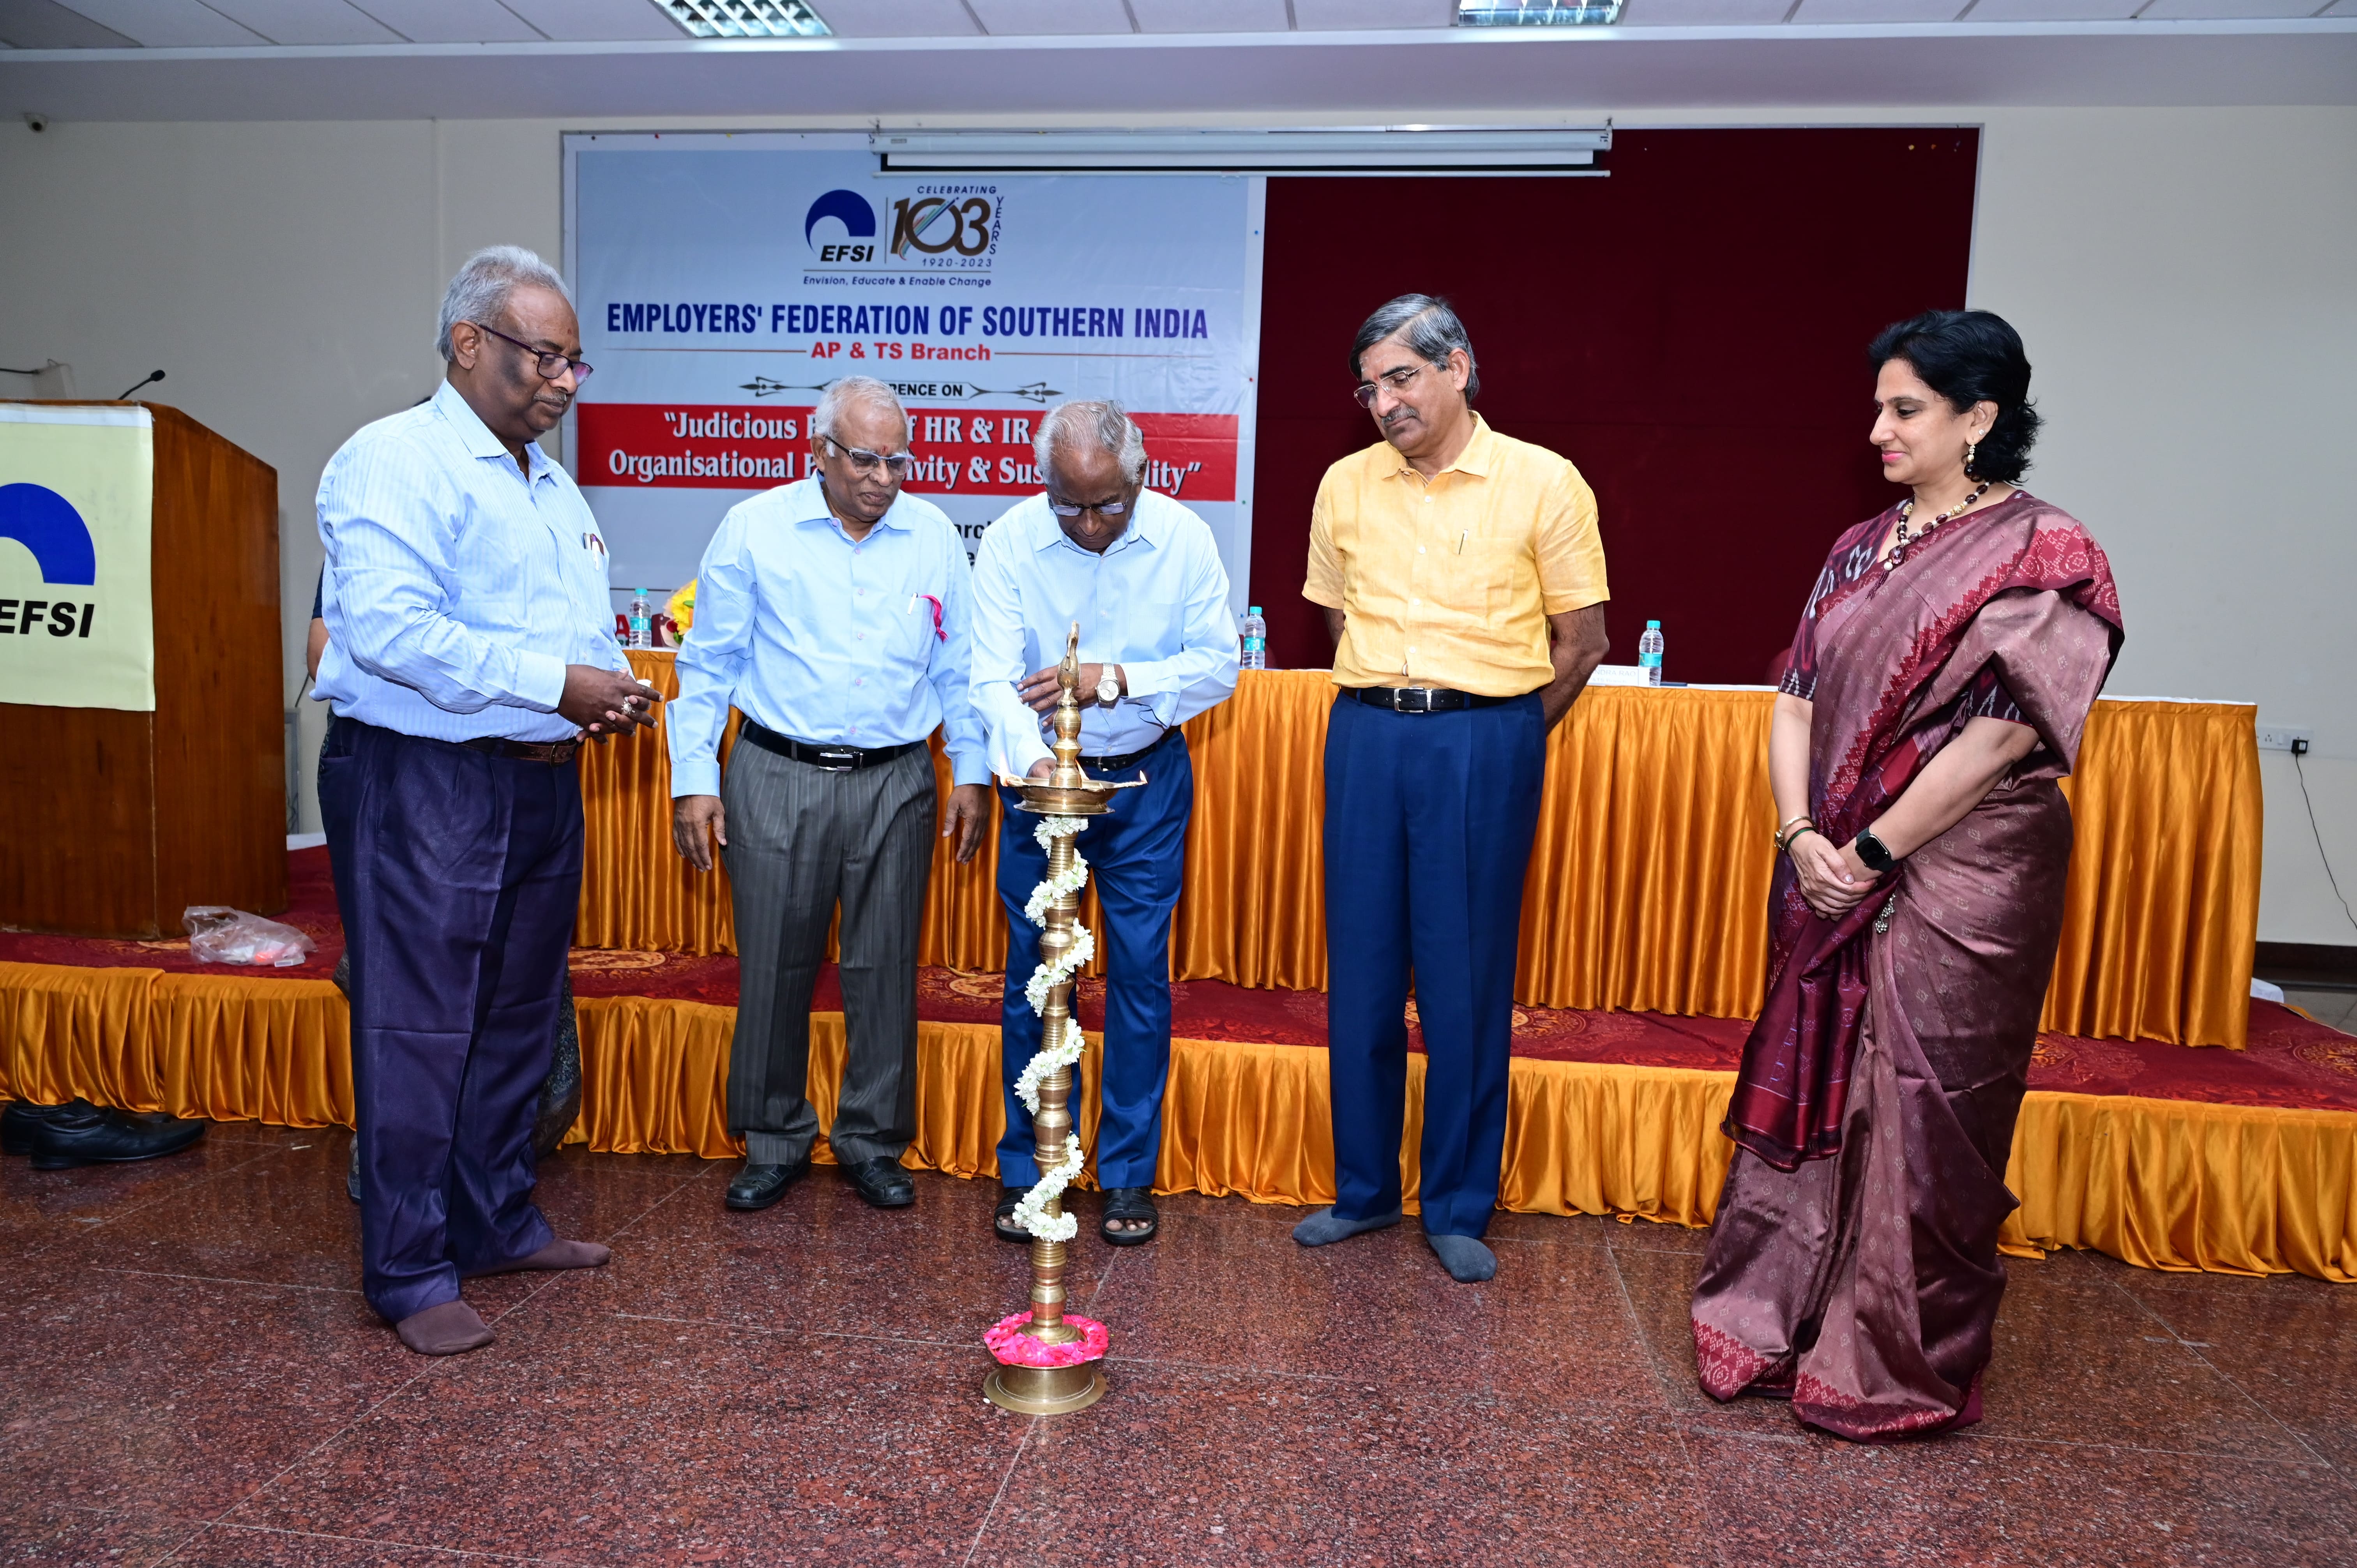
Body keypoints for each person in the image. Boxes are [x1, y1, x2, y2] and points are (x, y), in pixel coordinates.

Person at [1689, 309, 2122, 1440]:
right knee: (1827, 1080)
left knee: (1931, 1108)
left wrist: (1875, 850)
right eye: (1879, 407)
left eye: (1905, 410)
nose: (1878, 429)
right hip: (1829, 862)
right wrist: (1801, 836)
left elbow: (2004, 732)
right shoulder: (1857, 546)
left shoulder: (2047, 550)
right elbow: (1795, 698)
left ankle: (1892, 1353)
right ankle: (1785, 1317)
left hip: (1967, 869)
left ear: (1979, 418)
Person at [314, 245, 659, 1357]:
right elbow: (394, 633)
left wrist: (607, 688)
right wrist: (559, 684)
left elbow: (568, 631)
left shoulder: (550, 483)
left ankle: (496, 1220)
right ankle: (409, 1269)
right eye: (544, 357)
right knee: (421, 1027)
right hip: (427, 782)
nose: (564, 381)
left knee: (517, 1021)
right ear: (469, 344)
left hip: (541, 780)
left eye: (574, 362)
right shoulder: (394, 460)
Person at [1294, 295, 1610, 1284]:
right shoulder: (1345, 483)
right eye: (1369, 388)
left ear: (1458, 367)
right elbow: (1337, 620)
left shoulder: (1544, 480)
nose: (1385, 401)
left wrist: (1502, 732)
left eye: (1402, 377)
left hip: (1485, 738)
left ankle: (1459, 1202)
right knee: (1363, 970)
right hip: (1366, 734)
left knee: (1464, 976)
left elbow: (1584, 641)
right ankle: (1363, 1189)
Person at [670, 376, 991, 1213]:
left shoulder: (932, 537)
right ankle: (773, 1137)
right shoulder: (755, 527)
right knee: (774, 965)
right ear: (820, 452)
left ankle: (873, 1141)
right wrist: (694, 779)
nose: (883, 478)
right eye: (864, 459)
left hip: (897, 780)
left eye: (898, 461)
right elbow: (708, 664)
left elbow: (958, 668)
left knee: (884, 969)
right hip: (778, 773)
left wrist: (972, 769)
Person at [970, 401, 1238, 1247]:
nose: (1089, 524)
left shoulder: (1185, 538)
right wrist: (1035, 764)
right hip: (1040, 787)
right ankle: (1031, 1167)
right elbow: (990, 677)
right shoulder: (1011, 540)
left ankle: (1126, 1173)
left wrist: (1117, 679)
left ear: (1141, 476)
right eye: (1070, 505)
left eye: (1108, 504)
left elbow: (1219, 666)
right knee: (1035, 974)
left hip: (1145, 783)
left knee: (1141, 978)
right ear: (1044, 485)